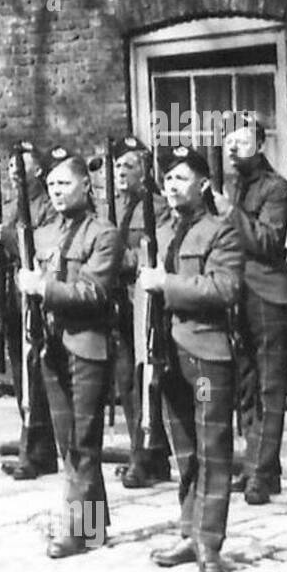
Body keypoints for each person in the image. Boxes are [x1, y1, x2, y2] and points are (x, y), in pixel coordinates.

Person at [138, 146, 244, 572]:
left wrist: (166, 283)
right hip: (164, 353)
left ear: (203, 184)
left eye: (181, 178)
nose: (171, 186)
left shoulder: (221, 231)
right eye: (167, 179)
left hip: (203, 352)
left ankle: (208, 542)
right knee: (184, 453)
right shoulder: (160, 234)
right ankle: (88, 532)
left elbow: (225, 289)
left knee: (211, 451)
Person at [17, 148, 119, 558]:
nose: (56, 192)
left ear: (85, 185)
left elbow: (94, 291)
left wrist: (43, 287)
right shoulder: (49, 232)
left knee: (83, 441)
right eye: (52, 184)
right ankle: (94, 528)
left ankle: (77, 529)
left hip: (87, 346)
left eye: (65, 183)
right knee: (69, 442)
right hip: (53, 345)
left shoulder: (103, 233)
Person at [219, 117, 287, 506]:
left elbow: (267, 241)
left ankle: (261, 474)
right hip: (240, 296)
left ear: (261, 143)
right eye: (228, 140)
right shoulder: (238, 187)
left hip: (268, 296)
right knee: (248, 385)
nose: (232, 148)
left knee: (269, 387)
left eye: (242, 141)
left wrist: (228, 214)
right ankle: (259, 466)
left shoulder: (276, 189)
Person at [110, 135, 174, 489]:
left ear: (145, 171)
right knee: (126, 382)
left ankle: (146, 456)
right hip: (116, 304)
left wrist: (122, 258)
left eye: (129, 166)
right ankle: (149, 455)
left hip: (143, 304)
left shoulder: (157, 206)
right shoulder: (115, 208)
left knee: (144, 379)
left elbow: (157, 252)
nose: (121, 172)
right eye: (118, 165)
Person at [0, 141, 60, 480]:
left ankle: (39, 450)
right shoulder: (11, 207)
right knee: (22, 378)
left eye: (22, 167)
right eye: (10, 168)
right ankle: (32, 447)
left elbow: (38, 249)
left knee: (35, 373)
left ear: (38, 171)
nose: (14, 173)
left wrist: (6, 236)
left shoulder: (47, 208)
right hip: (13, 299)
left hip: (38, 301)